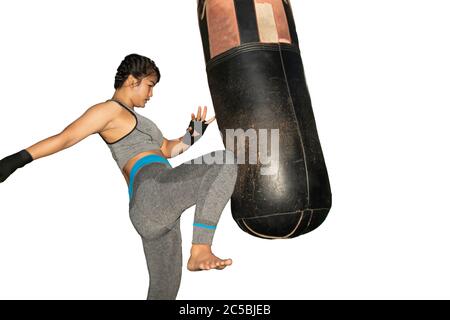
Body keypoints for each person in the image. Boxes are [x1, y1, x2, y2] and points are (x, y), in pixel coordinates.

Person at [0, 53, 238, 300]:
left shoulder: (142, 121)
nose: (151, 94)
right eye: (150, 86)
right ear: (133, 80)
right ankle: (200, 248)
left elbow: (167, 149)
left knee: (163, 294)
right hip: (151, 191)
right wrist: (14, 161)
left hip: (156, 209)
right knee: (225, 161)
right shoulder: (109, 110)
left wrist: (193, 134)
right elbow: (65, 138)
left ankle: (197, 253)